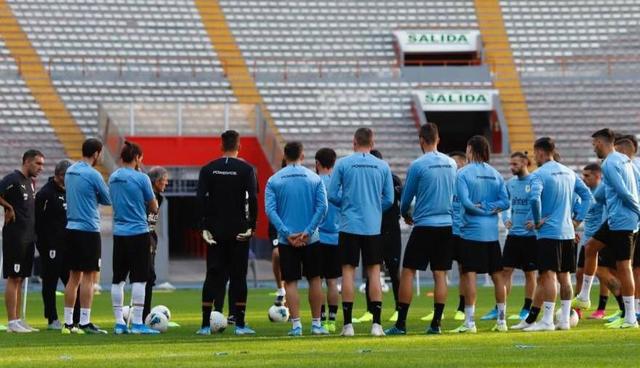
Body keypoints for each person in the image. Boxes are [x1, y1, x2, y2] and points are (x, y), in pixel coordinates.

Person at [512, 137, 591, 332]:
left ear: (539, 152)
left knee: (548, 276)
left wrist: (538, 220)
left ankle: (547, 320)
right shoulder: (569, 172)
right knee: (565, 278)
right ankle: (564, 320)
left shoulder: (539, 174)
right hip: (567, 232)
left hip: (549, 233)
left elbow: (534, 198)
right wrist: (577, 219)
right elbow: (588, 196)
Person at [385, 122, 457, 335]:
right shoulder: (451, 163)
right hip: (447, 224)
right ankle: (436, 324)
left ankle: (401, 324)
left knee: (408, 272)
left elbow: (407, 196)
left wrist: (405, 214)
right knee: (440, 275)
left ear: (421, 141)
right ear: (438, 139)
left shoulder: (418, 164)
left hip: (425, 224)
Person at [328, 127, 394, 337]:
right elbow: (389, 199)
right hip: (372, 226)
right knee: (374, 273)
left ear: (354, 141)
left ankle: (348, 325)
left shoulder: (343, 163)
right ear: (372, 143)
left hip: (349, 225)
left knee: (348, 273)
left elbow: (331, 194)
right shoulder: (382, 165)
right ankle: (376, 324)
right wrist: (374, 208)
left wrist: (346, 204)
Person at [574, 129, 640, 329]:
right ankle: (584, 296)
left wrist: (638, 210)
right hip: (617, 220)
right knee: (590, 247)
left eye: (594, 144)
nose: (593, 147)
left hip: (622, 221)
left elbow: (624, 192)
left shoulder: (610, 163)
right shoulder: (624, 160)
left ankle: (630, 318)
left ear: (602, 143)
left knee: (624, 267)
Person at [196, 130, 258, 335]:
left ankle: (205, 325)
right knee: (239, 277)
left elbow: (200, 199)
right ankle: (240, 325)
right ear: (239, 147)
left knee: (212, 275)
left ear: (221, 147)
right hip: (238, 232)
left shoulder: (208, 169)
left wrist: (203, 226)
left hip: (215, 232)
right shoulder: (247, 169)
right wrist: (252, 225)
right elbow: (254, 199)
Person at [266, 142, 328, 336]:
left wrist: (286, 232)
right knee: (315, 279)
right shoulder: (314, 178)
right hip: (311, 239)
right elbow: (323, 208)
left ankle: (296, 326)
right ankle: (317, 324)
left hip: (287, 240)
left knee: (290, 282)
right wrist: (308, 232)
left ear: (285, 156)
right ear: (303, 155)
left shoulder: (274, 180)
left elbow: (270, 210)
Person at [449, 136, 510, 333]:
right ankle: (502, 321)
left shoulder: (463, 173)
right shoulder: (495, 174)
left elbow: (466, 203)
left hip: (471, 233)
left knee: (470, 276)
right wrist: (491, 208)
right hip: (491, 233)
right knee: (498, 277)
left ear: (469, 149)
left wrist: (480, 208)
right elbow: (505, 202)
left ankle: (470, 322)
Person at [109, 141, 159, 335]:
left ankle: (119, 323)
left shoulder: (113, 177)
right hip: (139, 232)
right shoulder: (142, 178)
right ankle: (137, 323)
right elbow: (153, 206)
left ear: (122, 157)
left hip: (119, 232)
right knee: (140, 279)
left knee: (118, 280)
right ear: (138, 158)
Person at [63, 138, 111, 335]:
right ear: (97, 153)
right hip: (88, 229)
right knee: (89, 277)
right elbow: (107, 199)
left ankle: (68, 324)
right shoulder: (94, 174)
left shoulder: (69, 171)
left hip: (71, 228)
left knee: (73, 277)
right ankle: (84, 322)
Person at [355, 149, 402, 324]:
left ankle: (399, 308)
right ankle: (370, 309)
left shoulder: (392, 178)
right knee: (372, 270)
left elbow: (401, 200)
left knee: (393, 270)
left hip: (390, 230)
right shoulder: (366, 181)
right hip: (373, 230)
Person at [1, 150, 45, 333]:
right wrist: (8, 207)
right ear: (27, 162)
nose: (40, 168)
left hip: (28, 237)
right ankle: (12, 322)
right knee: (14, 277)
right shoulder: (12, 179)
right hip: (15, 236)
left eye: (42, 164)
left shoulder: (30, 182)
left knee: (20, 279)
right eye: (38, 164)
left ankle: (18, 320)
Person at [35, 159, 81, 330]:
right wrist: (43, 245)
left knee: (73, 282)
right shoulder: (45, 194)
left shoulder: (71, 191)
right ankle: (52, 318)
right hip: (51, 247)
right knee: (50, 282)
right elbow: (38, 221)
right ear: (60, 175)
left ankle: (76, 318)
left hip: (69, 246)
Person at [501, 152, 537, 321]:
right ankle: (500, 307)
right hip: (513, 235)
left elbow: (540, 203)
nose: (512, 167)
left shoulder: (535, 181)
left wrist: (535, 220)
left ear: (525, 163)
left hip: (530, 237)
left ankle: (527, 308)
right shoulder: (511, 184)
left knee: (530, 273)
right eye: (511, 164)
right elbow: (506, 204)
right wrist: (506, 218)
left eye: (515, 164)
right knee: (505, 270)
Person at [574, 164, 610, 320]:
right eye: (583, 175)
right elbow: (578, 212)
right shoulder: (584, 193)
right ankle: (578, 307)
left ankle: (601, 309)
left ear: (597, 176)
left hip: (599, 239)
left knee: (602, 274)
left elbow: (607, 215)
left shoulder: (603, 193)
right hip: (586, 239)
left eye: (587, 175)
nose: (584, 178)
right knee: (579, 273)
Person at [612, 136, 640, 322]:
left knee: (633, 268)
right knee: (631, 267)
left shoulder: (631, 165)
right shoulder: (629, 164)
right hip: (632, 220)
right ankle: (632, 310)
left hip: (632, 220)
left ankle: (633, 311)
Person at [315, 148, 341, 333]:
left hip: (318, 239)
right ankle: (331, 321)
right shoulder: (340, 184)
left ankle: (320, 319)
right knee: (333, 282)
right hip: (338, 238)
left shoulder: (315, 182)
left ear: (317, 163)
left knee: (317, 281)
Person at [142, 166, 169, 321]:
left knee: (149, 277)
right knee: (146, 276)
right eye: (164, 181)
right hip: (143, 238)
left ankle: (144, 312)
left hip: (150, 238)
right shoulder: (148, 196)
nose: (166, 184)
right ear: (157, 181)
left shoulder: (159, 197)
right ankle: (144, 314)